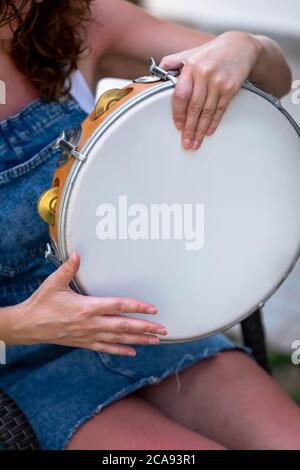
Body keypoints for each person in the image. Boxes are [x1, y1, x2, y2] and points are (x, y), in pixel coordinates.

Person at [0, 0, 299, 451]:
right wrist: (22, 323)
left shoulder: (75, 20)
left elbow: (276, 79)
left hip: (142, 320)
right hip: (20, 355)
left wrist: (245, 47)